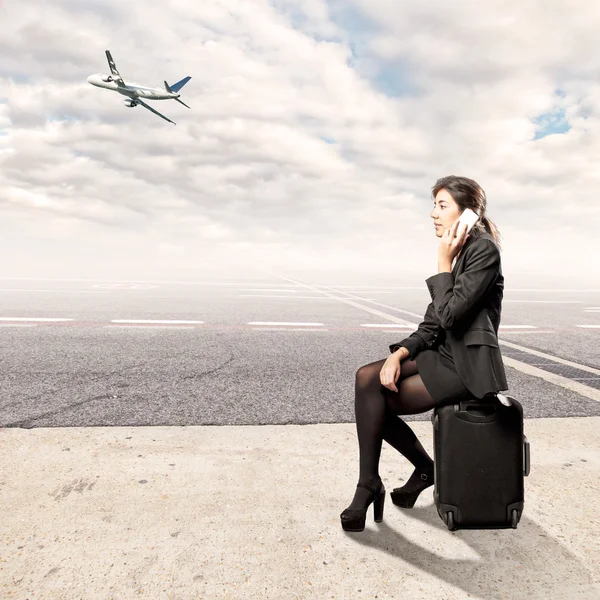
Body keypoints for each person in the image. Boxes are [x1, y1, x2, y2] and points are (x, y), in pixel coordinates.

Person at [340, 175, 507, 532]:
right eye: (434, 205)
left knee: (377, 402)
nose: (433, 214)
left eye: (442, 205)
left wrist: (443, 263)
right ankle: (371, 482)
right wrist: (399, 353)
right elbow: (433, 323)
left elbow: (449, 315)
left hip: (466, 366)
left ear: (468, 214)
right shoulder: (461, 251)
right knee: (366, 377)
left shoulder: (483, 251)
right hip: (444, 352)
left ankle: (401, 477)